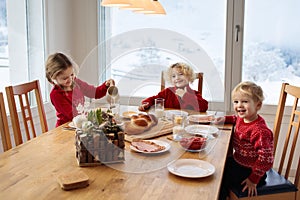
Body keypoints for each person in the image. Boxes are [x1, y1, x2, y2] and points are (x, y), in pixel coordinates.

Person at [216, 81, 274, 199]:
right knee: (218, 166)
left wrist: (253, 179)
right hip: (239, 162)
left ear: (258, 105)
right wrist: (224, 119)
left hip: (252, 171)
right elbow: (235, 118)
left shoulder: (259, 131)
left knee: (220, 179)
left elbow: (266, 159)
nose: (239, 105)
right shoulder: (243, 118)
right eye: (236, 102)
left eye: (245, 102)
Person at [45, 52, 115, 127]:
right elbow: (72, 115)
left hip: (81, 123)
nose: (70, 79)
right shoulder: (56, 94)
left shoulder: (76, 83)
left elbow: (94, 92)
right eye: (65, 78)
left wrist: (106, 85)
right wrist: (93, 114)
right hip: (66, 128)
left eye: (72, 74)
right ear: (53, 78)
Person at [138, 62, 208, 112]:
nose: (177, 78)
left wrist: (185, 95)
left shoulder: (194, 94)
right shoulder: (167, 92)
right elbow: (155, 99)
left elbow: (204, 107)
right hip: (168, 123)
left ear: (189, 76)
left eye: (181, 74)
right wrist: (146, 104)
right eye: (173, 76)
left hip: (186, 124)